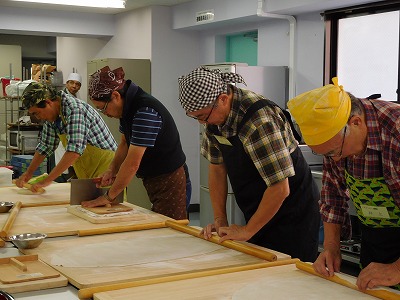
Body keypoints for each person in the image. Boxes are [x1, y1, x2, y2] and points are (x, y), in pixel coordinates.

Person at [177, 66, 320, 262]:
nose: (201, 123)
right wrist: (220, 220)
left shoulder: (259, 120)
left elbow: (280, 188)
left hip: (293, 211)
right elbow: (217, 169)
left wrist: (247, 231)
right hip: (259, 204)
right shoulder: (214, 121)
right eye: (195, 117)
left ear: (223, 99)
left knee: (289, 275)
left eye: (202, 116)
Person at [287, 77, 400, 291]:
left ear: (355, 122)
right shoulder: (337, 140)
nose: (335, 160)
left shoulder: (395, 130)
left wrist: (396, 270)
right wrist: (331, 247)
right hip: (377, 242)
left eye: (334, 152)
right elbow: (332, 196)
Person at [81, 66, 191, 220]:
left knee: (170, 230)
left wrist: (108, 197)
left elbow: (133, 163)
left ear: (115, 96)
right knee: (160, 226)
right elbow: (125, 143)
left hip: (170, 178)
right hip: (154, 176)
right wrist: (112, 170)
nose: (105, 114)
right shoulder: (126, 108)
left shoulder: (144, 110)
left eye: (103, 108)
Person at [15, 82, 117, 191]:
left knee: (109, 205)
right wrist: (29, 173)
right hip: (87, 170)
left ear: (48, 102)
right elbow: (45, 146)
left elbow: (74, 151)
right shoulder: (53, 117)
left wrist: (48, 180)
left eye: (37, 113)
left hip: (107, 167)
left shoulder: (75, 109)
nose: (38, 117)